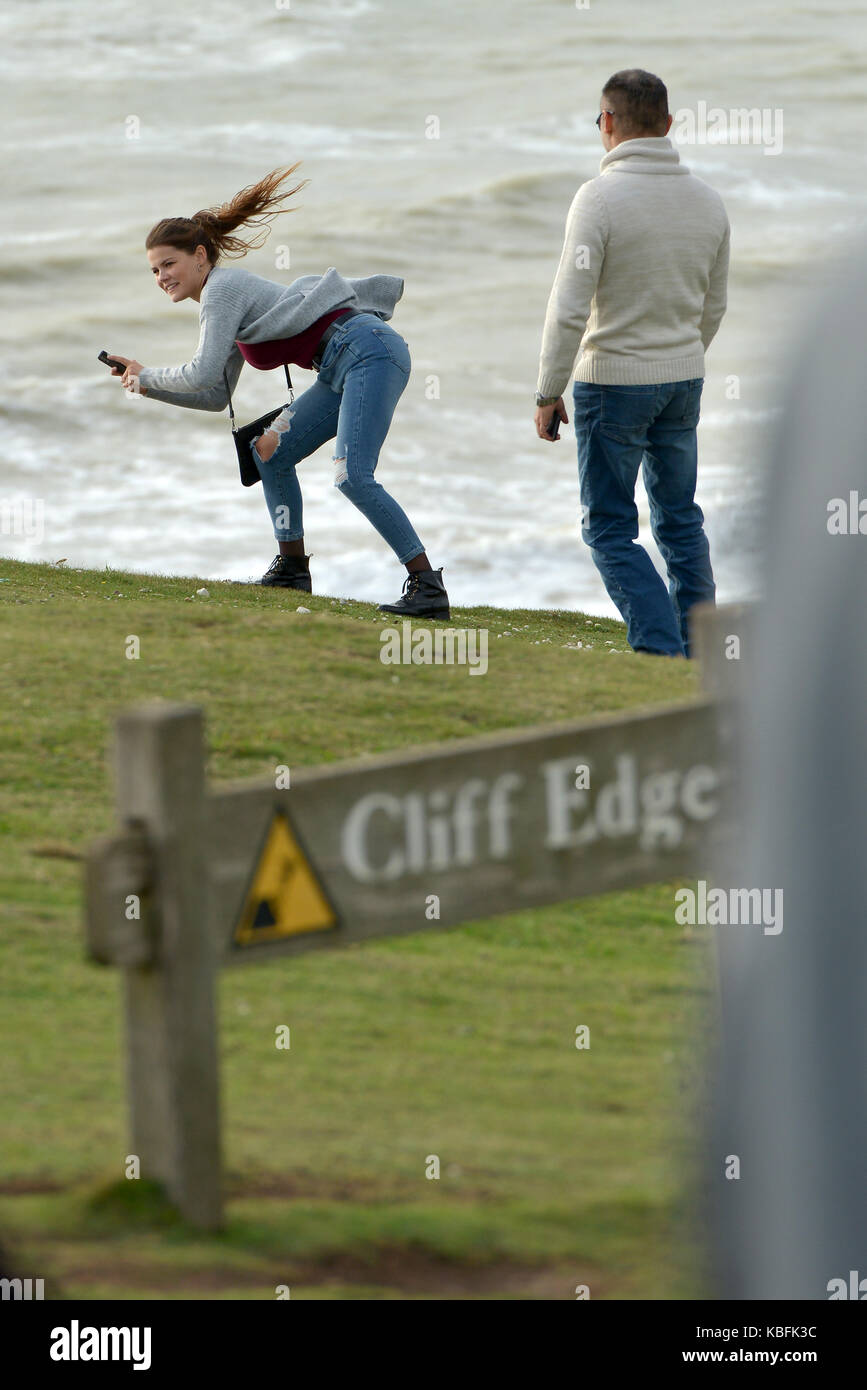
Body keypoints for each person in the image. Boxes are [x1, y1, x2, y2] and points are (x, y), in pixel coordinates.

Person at [106, 164, 450, 617]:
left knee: (352, 476)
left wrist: (148, 375)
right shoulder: (220, 301)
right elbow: (215, 394)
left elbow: (202, 370)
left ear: (202, 257)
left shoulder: (220, 291)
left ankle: (427, 586)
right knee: (268, 451)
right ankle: (292, 571)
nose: (162, 277)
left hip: (367, 351)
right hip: (339, 364)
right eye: (154, 270)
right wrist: (146, 387)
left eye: (169, 264)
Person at [534, 69, 729, 658]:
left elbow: (569, 305)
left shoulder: (598, 198)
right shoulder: (708, 201)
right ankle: (699, 650)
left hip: (613, 383)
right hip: (683, 379)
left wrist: (548, 389)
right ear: (667, 125)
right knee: (680, 519)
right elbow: (714, 305)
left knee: (609, 527)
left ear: (610, 122)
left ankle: (659, 649)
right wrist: (680, 355)